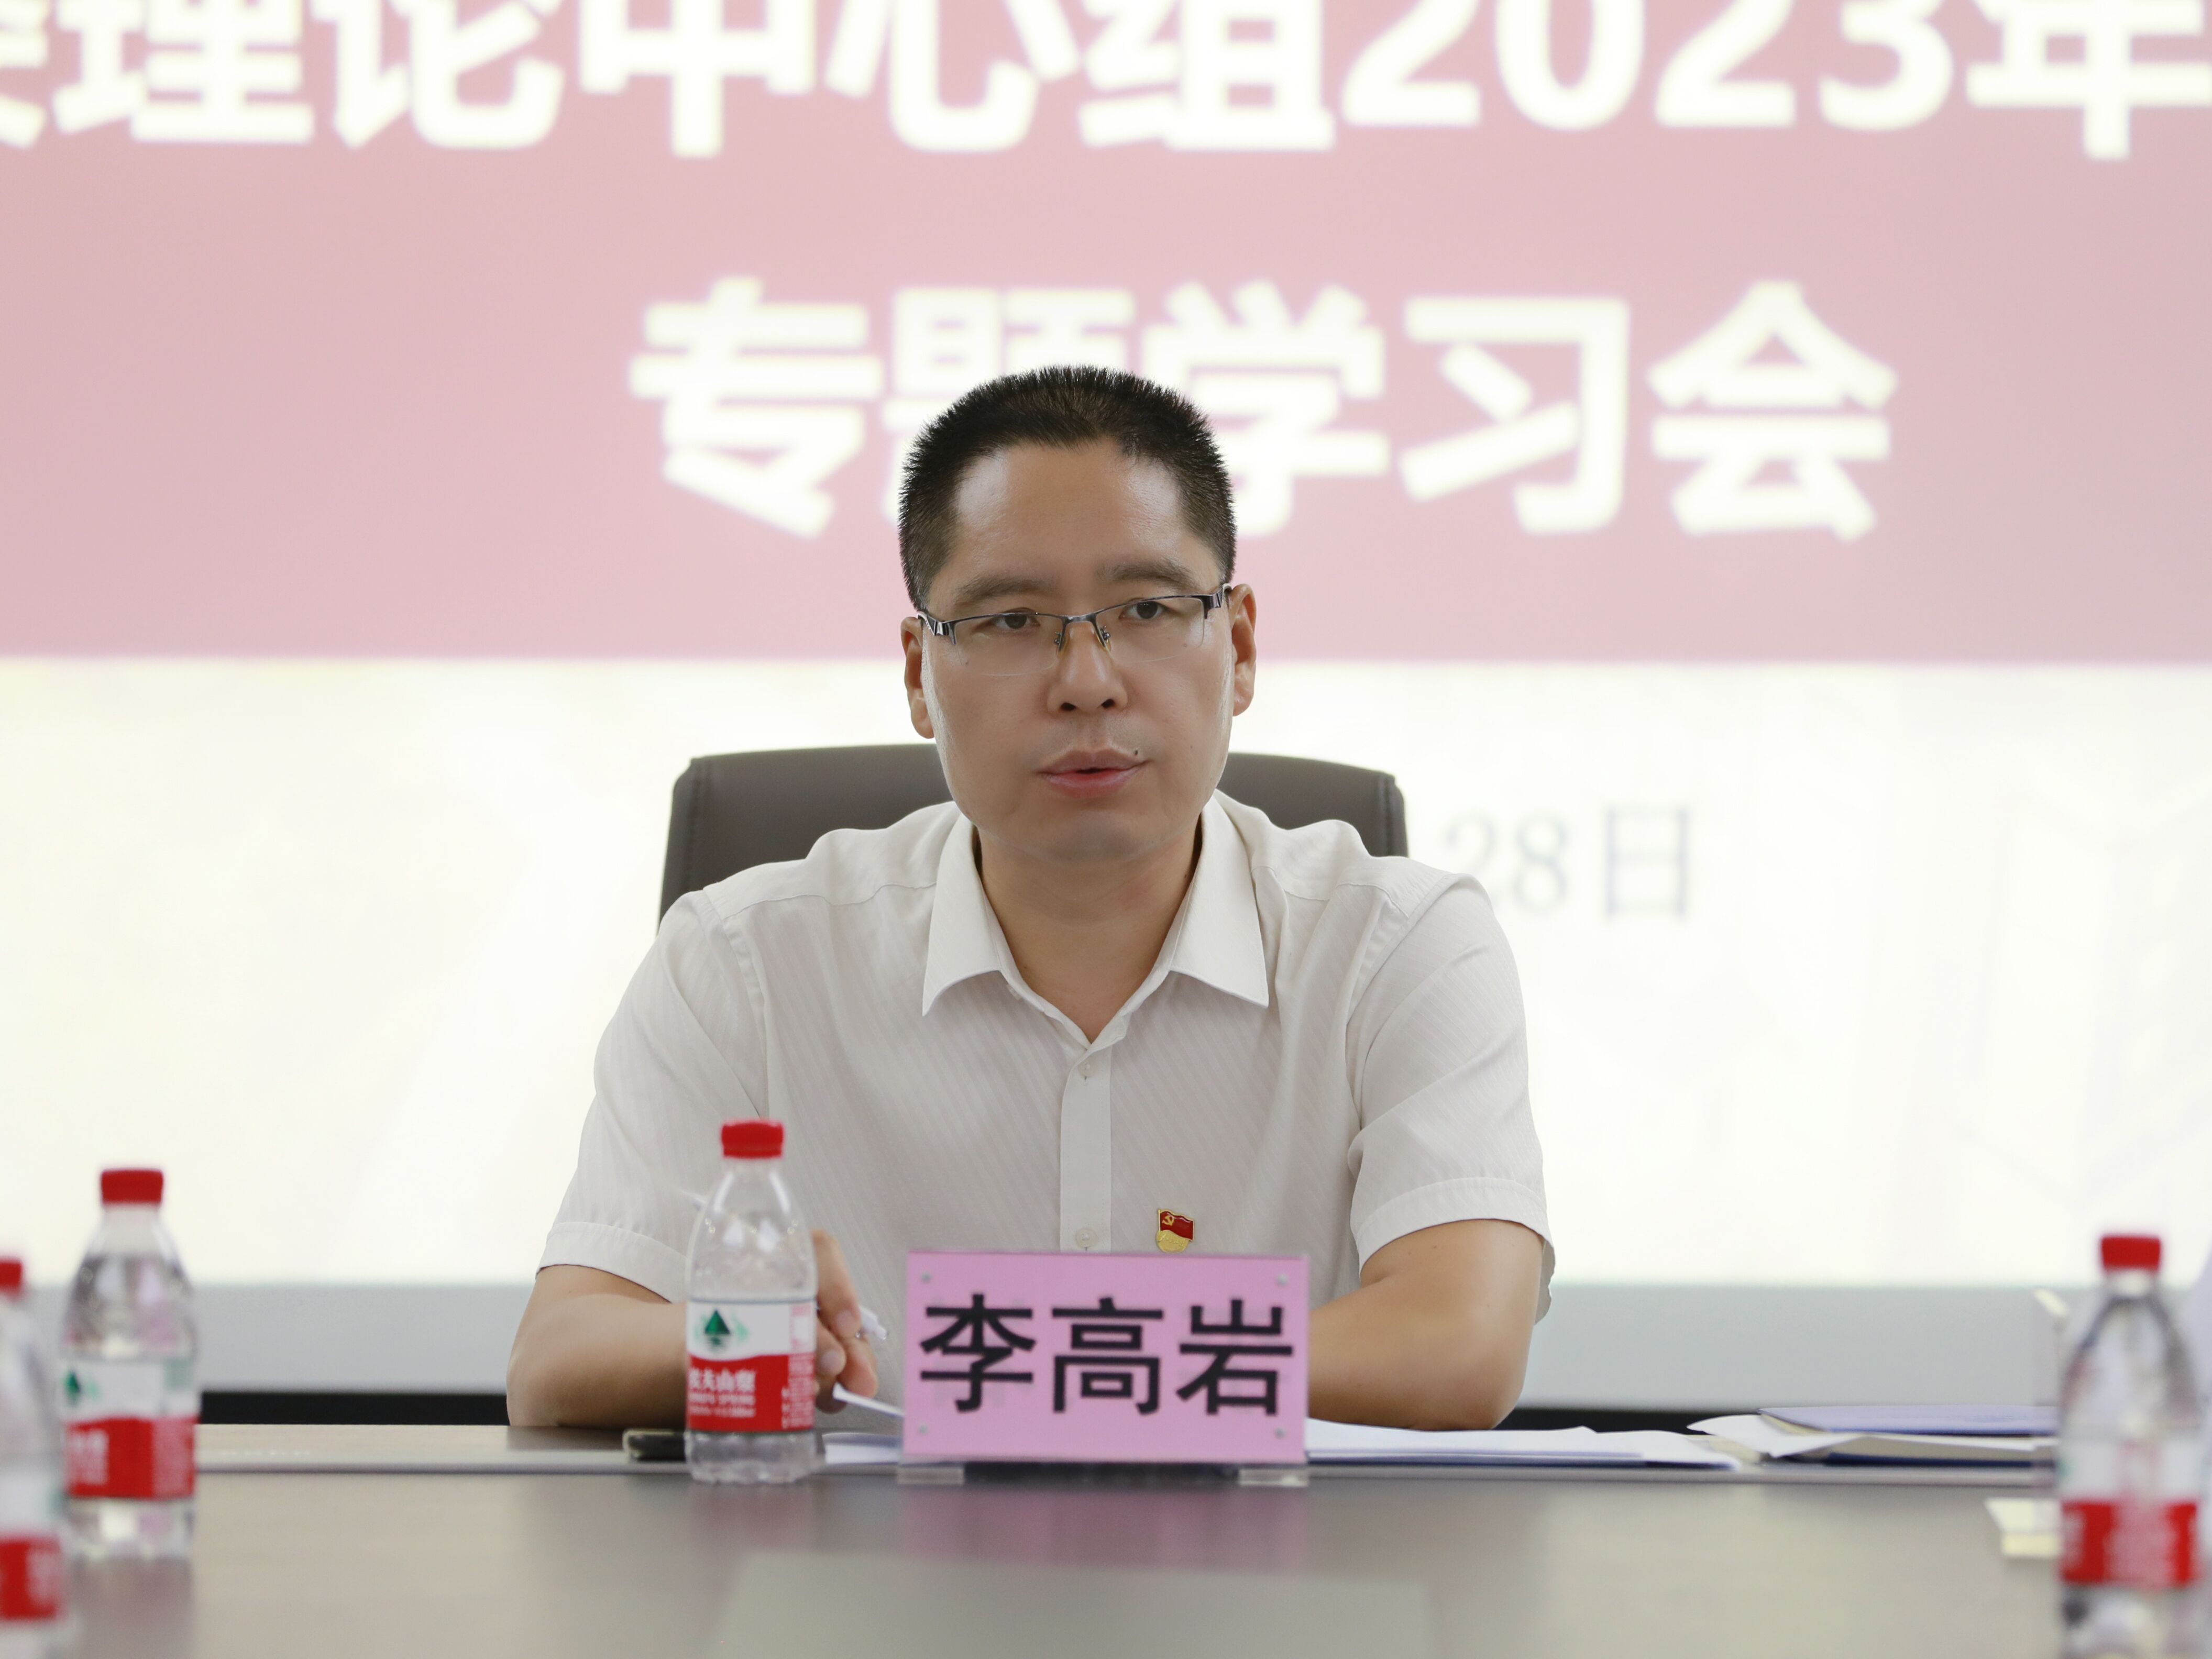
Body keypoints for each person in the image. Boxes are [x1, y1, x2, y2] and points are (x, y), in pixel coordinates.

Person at [507, 368, 1550, 1432]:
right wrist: (743, 1330)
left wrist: (997, 1357)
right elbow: (561, 1354)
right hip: (859, 1547)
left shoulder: (1398, 947)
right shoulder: (742, 963)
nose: (1087, 680)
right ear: (919, 674)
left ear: (1238, 647)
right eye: (1011, 620)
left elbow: (1458, 1344)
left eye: (1146, 610)